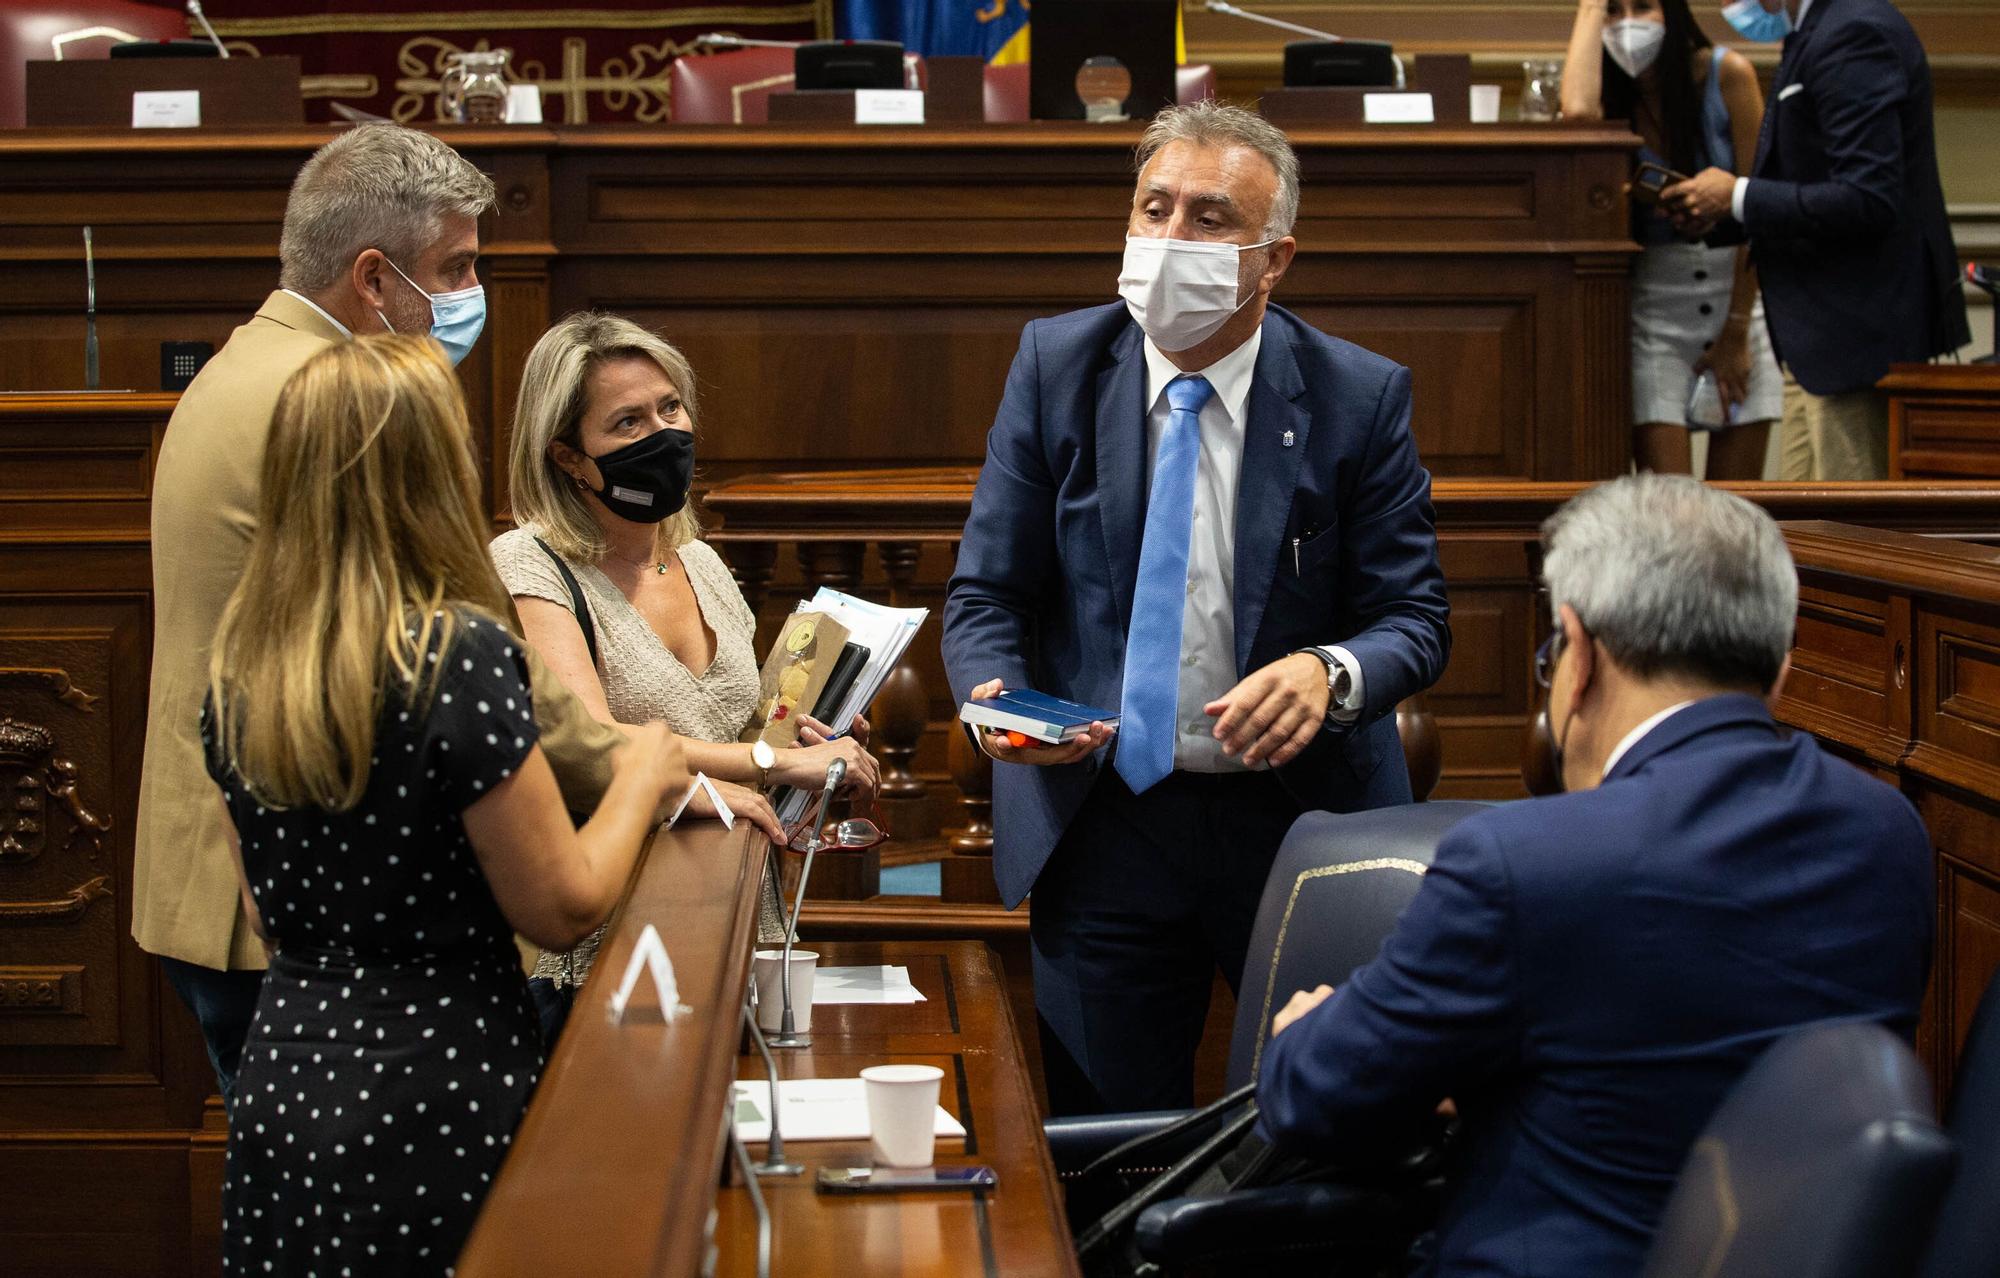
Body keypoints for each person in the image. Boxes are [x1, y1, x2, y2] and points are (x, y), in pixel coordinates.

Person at [1257, 474, 1933, 1277]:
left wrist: (1301, 1036)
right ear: (1780, 672)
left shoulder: (1524, 861)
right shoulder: (1891, 834)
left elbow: (1316, 1099)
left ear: (1577, 655)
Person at [133, 124, 684, 1106]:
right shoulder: (341, 407)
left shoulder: (236, 369)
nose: (471, 295)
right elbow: (470, 674)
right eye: (459, 267)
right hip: (342, 908)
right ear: (376, 278)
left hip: (250, 877)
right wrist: (675, 762)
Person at [942, 101, 1451, 1116]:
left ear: (1274, 261)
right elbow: (986, 593)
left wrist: (1329, 672)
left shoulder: (1356, 396)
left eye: (1209, 220)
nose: (1169, 241)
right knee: (1105, 1147)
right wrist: (996, 699)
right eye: (1152, 208)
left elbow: (1413, 617)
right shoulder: (1056, 367)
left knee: (1317, 1138)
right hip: (1102, 816)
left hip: (1297, 823)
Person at [203, 334, 690, 1276]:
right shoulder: (454, 655)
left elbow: (267, 911)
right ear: (434, 470)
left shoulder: (243, 661)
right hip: (435, 1087)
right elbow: (561, 904)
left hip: (288, 1078)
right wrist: (645, 771)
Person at [492, 312, 880, 1027]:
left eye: (670, 408)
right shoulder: (531, 564)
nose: (664, 434)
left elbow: (745, 731)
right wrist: (768, 757)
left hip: (741, 912)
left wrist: (804, 740)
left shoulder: (696, 555)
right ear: (568, 456)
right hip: (615, 941)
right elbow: (592, 741)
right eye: (628, 424)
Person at [1662, 0, 1969, 479]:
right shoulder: (1818, 30)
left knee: (1854, 538)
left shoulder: (1854, 31)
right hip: (1819, 343)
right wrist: (1723, 214)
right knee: (1810, 535)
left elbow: (1867, 197)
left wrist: (1739, 196)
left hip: (1858, 339)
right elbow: (1811, 177)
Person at [1560, 0, 1782, 478]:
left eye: (1643, 7)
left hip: (1737, 299)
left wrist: (1737, 332)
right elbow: (1577, 113)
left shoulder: (1728, 74)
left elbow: (1763, 205)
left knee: (1736, 512)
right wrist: (1589, 7)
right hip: (1654, 309)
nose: (1627, 24)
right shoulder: (1611, 90)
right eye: (1612, 11)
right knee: (1669, 508)